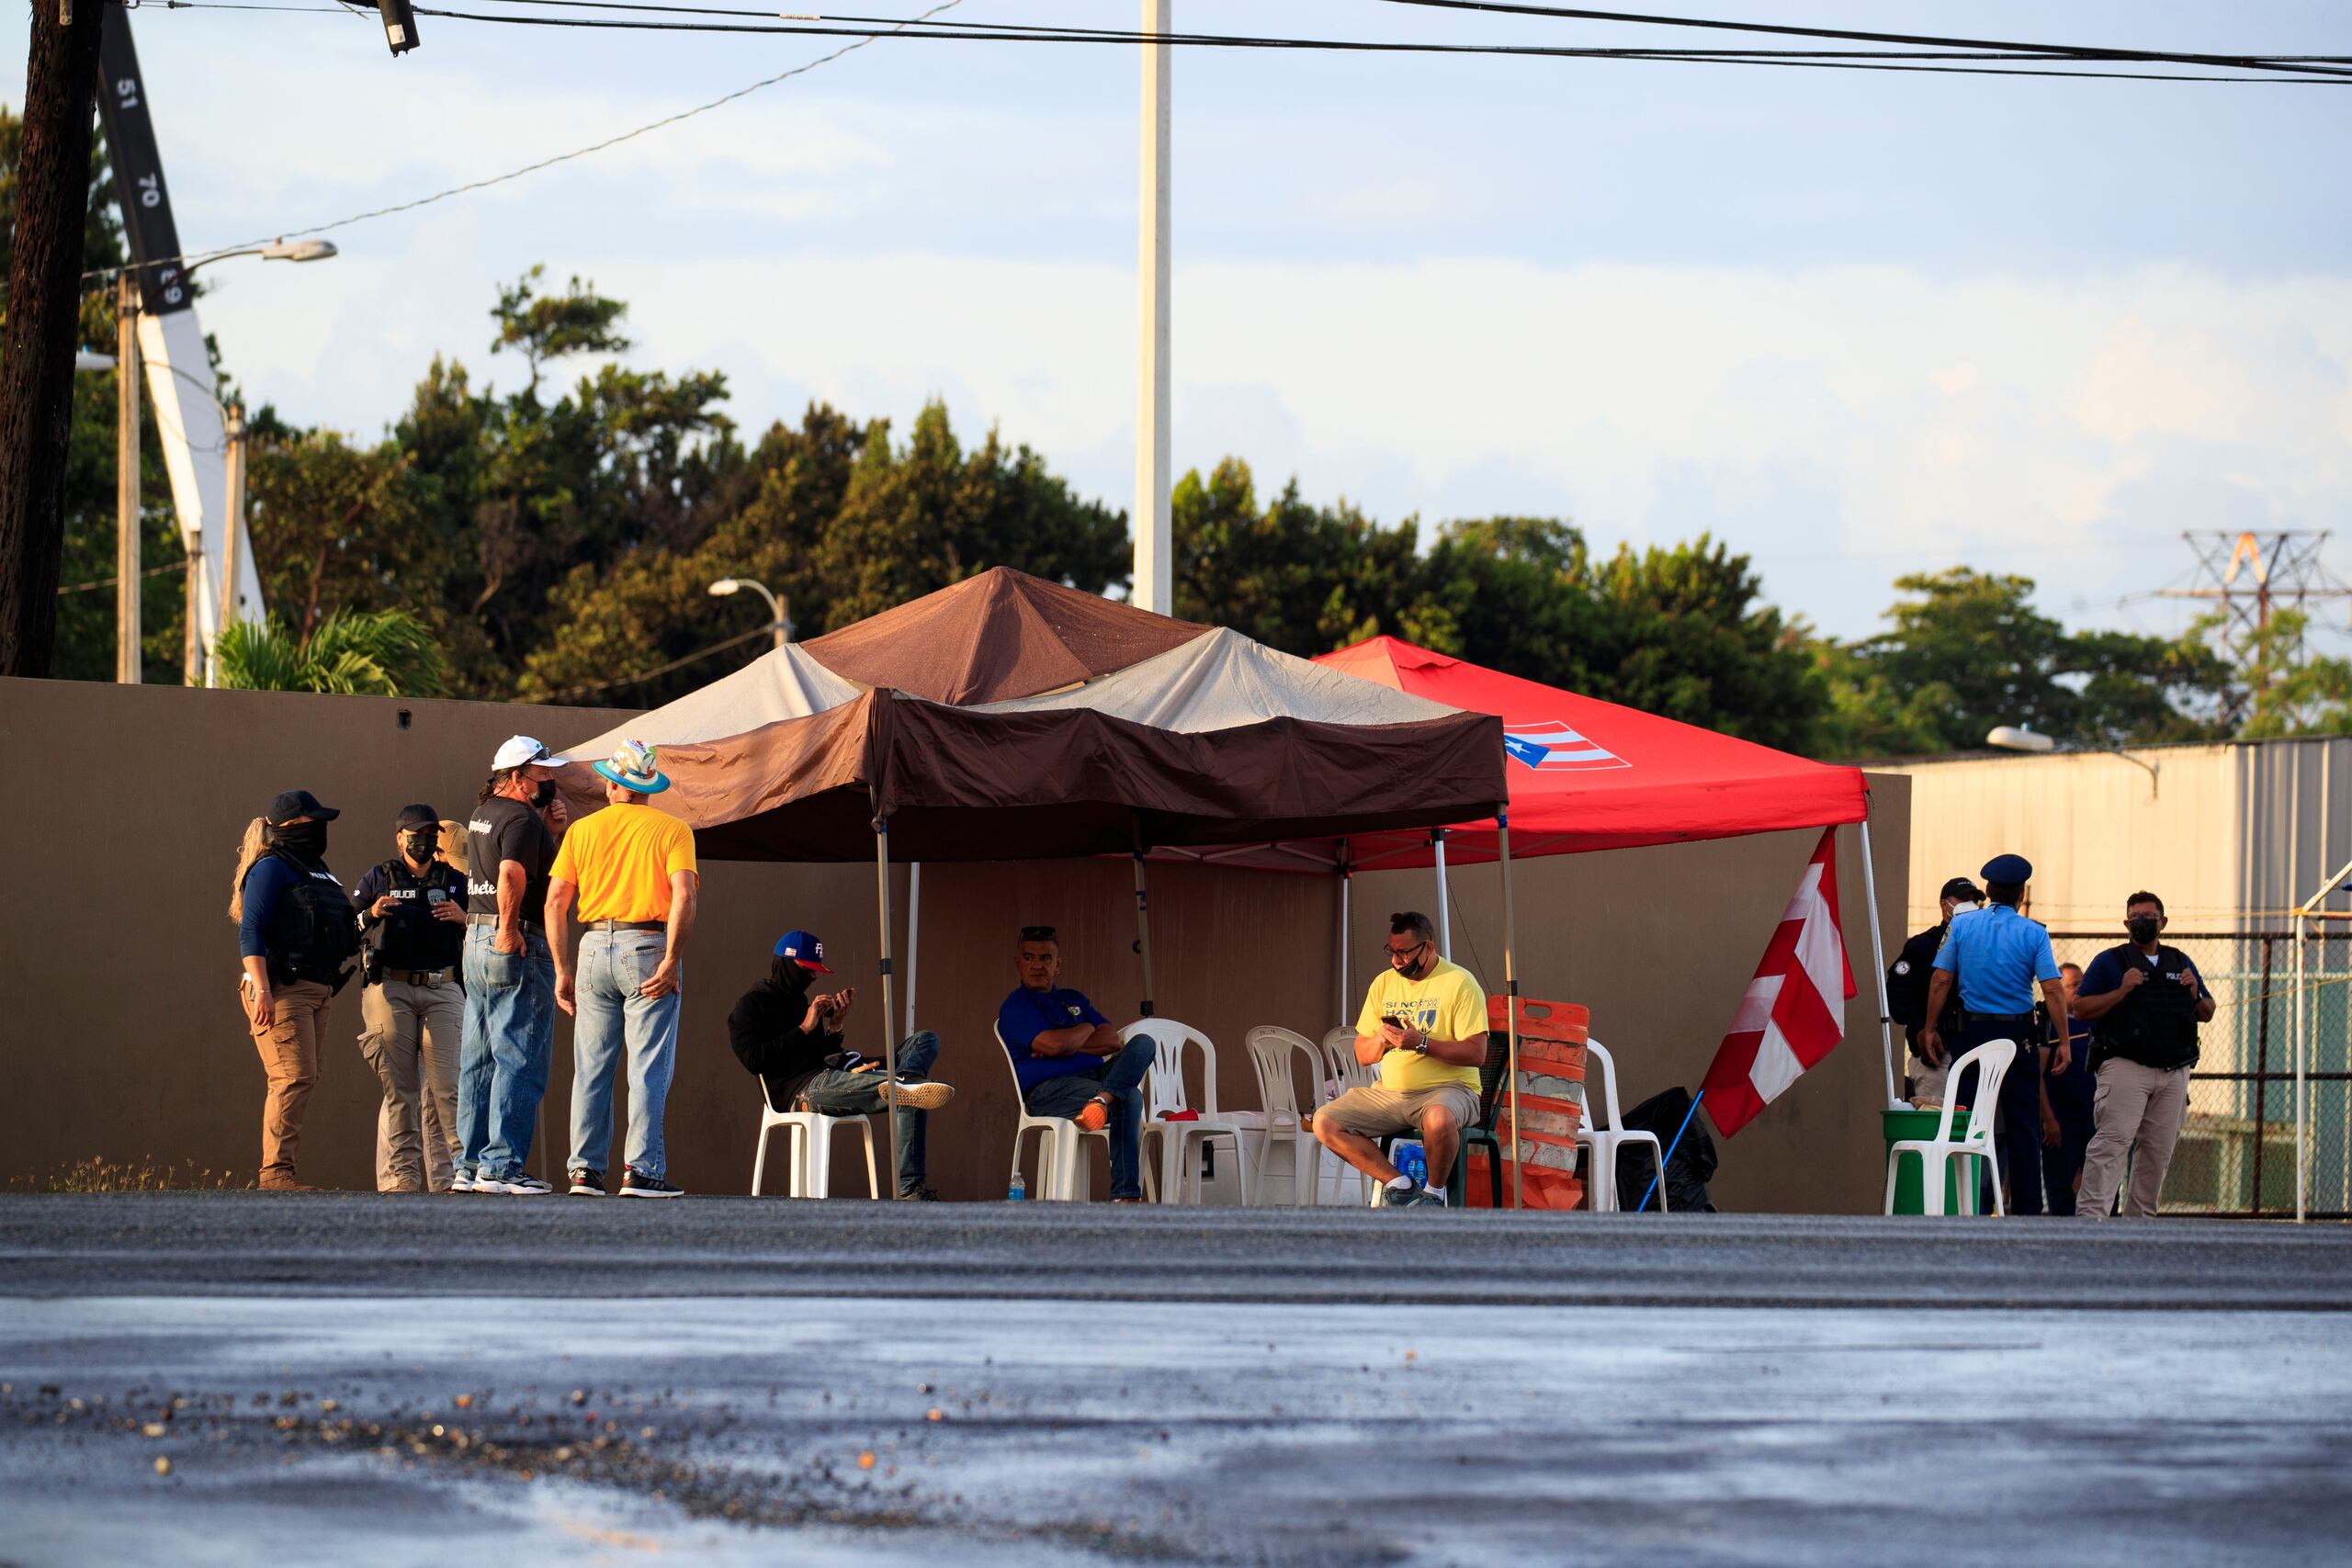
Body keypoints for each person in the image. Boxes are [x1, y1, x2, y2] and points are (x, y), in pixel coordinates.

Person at [546, 740, 699, 1199]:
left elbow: (555, 901)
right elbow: (685, 896)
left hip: (593, 945)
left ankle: (584, 1173)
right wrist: (672, 958)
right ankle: (641, 1171)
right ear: (646, 787)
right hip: (648, 947)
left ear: (615, 786)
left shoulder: (582, 831)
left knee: (591, 1068)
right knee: (647, 1067)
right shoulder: (673, 830)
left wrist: (562, 968)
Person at [728, 927, 956, 1198]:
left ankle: (904, 1080)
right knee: (906, 1091)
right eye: (807, 969)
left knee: (925, 1040)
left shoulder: (801, 1003)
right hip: (801, 1091)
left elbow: (823, 1057)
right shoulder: (752, 1005)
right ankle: (910, 1184)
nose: (812, 977)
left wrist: (835, 1025)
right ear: (787, 963)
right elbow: (754, 1060)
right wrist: (804, 1027)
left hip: (830, 1074)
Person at [1921, 854, 2070, 1215]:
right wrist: (2064, 1040)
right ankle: (2027, 1211)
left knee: (1968, 1117)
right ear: (2021, 894)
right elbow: (2052, 989)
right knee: (2023, 1124)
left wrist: (1928, 1027)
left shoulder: (1963, 926)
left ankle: (1964, 1202)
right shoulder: (2033, 932)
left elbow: (1941, 979)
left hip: (1972, 1032)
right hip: (2017, 1035)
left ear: (1987, 890)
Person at [1312, 910, 1489, 1209]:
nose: (1397, 960)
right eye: (1392, 952)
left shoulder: (1460, 982)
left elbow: (1477, 1053)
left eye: (1405, 952)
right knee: (1325, 1122)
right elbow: (1362, 1053)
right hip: (1390, 1093)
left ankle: (1433, 1194)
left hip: (1451, 1089)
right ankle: (1399, 1183)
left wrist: (1420, 1043)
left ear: (1428, 948)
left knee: (1438, 1118)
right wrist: (1382, 1039)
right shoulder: (1383, 983)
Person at [456, 735, 571, 1196]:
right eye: (543, 773)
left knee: (478, 1057)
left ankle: (469, 1165)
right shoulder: (522, 817)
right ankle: (501, 1167)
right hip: (513, 938)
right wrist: (509, 928)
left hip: (475, 938)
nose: (551, 780)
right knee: (520, 1054)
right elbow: (512, 873)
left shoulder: (486, 813)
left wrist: (551, 833)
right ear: (519, 777)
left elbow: (513, 862)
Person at [232, 790, 360, 1191]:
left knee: (304, 1075)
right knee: (291, 1075)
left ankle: (282, 1170)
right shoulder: (271, 868)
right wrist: (263, 990)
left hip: (317, 987)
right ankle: (275, 1175)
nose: (321, 829)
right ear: (289, 827)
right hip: (280, 987)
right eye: (313, 822)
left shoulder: (315, 870)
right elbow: (250, 931)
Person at [2069, 892, 2214, 1220]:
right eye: (2136, 917)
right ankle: (2091, 1221)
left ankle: (2141, 1225)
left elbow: (2207, 1011)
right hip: (2125, 1067)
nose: (2143, 922)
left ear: (2163, 922)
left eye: (2149, 917)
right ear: (2126, 923)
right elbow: (2079, 1007)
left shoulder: (2179, 961)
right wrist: (2121, 991)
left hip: (2174, 1070)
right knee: (2112, 1144)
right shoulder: (2111, 961)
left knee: (2157, 1151)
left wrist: (2195, 993)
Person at [350, 804, 469, 1194]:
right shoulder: (378, 877)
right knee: (400, 1089)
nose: (424, 841)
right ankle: (403, 1177)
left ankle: (460, 1175)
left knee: (449, 1087)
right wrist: (370, 913)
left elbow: (488, 928)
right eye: (417, 834)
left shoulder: (452, 880)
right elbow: (345, 930)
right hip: (391, 987)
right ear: (400, 837)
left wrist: (464, 918)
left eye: (431, 834)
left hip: (443, 987)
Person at [996, 925, 1158, 1202]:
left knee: (1144, 1042)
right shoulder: (1015, 1006)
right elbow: (1054, 1045)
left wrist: (1067, 1042)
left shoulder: (1073, 999)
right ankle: (1126, 1198)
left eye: (1045, 958)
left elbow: (1111, 1041)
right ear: (1019, 963)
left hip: (1094, 1078)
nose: (1037, 965)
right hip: (1049, 1092)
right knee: (1129, 1095)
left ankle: (1101, 1100)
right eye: (1030, 957)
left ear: (1057, 964)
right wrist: (1083, 1029)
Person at [1886, 875, 1984, 1102]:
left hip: (1975, 1049)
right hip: (1938, 1055)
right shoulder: (1923, 946)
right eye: (1963, 900)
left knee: (1976, 1130)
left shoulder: (1983, 944)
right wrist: (1922, 1028)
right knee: (1936, 1126)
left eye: (1974, 900)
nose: (1970, 906)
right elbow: (1898, 993)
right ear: (1944, 904)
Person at [2039, 963, 2098, 1215]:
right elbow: (2036, 1076)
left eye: (2081, 983)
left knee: (2098, 1179)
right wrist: (2049, 1119)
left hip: (2093, 1116)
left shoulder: (2096, 1023)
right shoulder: (2050, 1025)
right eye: (2072, 985)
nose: (2079, 989)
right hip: (2061, 1120)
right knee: (2060, 1185)